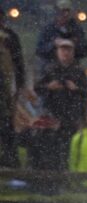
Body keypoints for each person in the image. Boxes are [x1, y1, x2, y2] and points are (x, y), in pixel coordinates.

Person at [35, 38, 87, 171]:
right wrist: (49, 87)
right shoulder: (49, 69)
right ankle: (53, 175)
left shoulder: (79, 71)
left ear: (73, 52)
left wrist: (76, 89)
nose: (65, 53)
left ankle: (67, 176)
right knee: (52, 148)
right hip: (53, 113)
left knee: (69, 148)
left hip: (72, 116)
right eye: (63, 50)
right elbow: (37, 88)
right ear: (58, 52)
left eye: (68, 50)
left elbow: (86, 92)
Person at [0, 6, 25, 167]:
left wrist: (20, 84)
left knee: (7, 124)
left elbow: (18, 63)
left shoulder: (10, 37)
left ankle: (11, 163)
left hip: (6, 89)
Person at [35, 0, 87, 69]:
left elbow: (85, 51)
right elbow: (39, 50)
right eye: (61, 12)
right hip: (50, 69)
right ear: (56, 12)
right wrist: (53, 44)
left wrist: (75, 44)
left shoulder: (76, 29)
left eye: (67, 11)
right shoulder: (48, 29)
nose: (65, 14)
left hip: (73, 69)